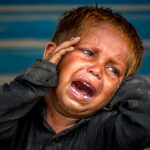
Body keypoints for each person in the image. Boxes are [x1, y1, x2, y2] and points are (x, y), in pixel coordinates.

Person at [0, 6, 150, 150]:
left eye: (113, 69)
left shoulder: (109, 130)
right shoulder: (18, 118)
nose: (97, 70)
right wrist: (38, 78)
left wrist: (117, 82)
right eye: (89, 53)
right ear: (53, 55)